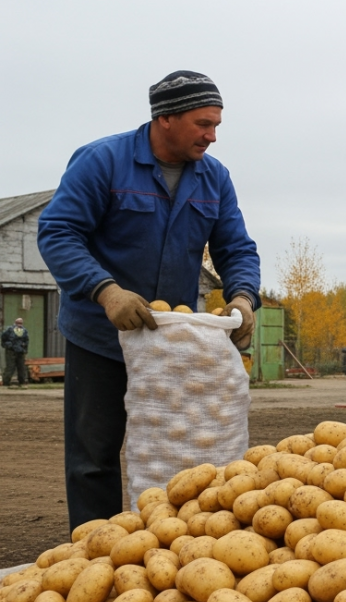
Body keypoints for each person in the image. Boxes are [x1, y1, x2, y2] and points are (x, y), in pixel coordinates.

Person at [38, 70, 260, 531]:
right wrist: (106, 291)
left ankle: (170, 547)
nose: (212, 136)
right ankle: (93, 551)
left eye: (216, 124)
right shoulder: (104, 162)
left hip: (167, 344)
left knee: (177, 454)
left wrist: (242, 295)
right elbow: (58, 233)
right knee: (93, 456)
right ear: (165, 118)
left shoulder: (214, 179)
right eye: (203, 124)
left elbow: (236, 248)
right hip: (99, 336)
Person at [2, 317, 29, 388]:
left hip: (20, 351)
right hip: (11, 351)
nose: (19, 324)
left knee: (21, 367)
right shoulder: (9, 330)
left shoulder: (24, 330)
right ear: (15, 323)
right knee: (10, 367)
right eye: (18, 323)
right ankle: (6, 382)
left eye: (21, 323)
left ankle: (22, 382)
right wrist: (8, 345)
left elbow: (26, 340)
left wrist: (25, 349)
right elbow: (3, 338)